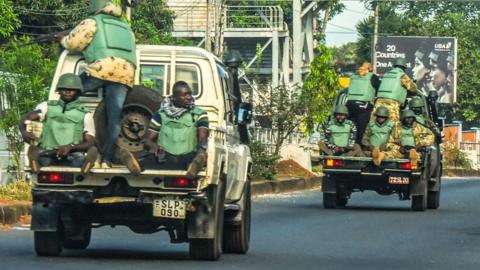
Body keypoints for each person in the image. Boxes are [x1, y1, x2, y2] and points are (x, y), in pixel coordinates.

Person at [58, 0, 136, 168]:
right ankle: (106, 159)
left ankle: (75, 142)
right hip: (125, 73)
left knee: (68, 92)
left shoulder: (93, 21)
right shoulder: (126, 27)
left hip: (102, 68)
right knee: (114, 119)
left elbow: (74, 43)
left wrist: (62, 40)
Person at [122, 81, 209, 178]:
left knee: (195, 157)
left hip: (187, 156)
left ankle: (195, 166)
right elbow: (147, 140)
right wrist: (155, 147)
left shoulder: (199, 114)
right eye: (185, 95)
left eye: (190, 94)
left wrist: (202, 150)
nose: (189, 97)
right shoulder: (160, 115)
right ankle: (135, 166)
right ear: (174, 98)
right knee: (149, 158)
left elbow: (203, 137)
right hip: (165, 157)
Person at [19, 74, 98, 174]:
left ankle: (87, 163)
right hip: (48, 152)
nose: (67, 91)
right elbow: (26, 117)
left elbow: (90, 142)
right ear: (59, 90)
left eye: (71, 89)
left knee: (79, 160)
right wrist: (23, 131)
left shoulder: (85, 114)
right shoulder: (47, 106)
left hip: (72, 154)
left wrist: (71, 147)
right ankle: (34, 159)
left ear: (78, 92)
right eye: (64, 89)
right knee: (43, 159)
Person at [373, 57, 417, 125]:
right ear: (404, 68)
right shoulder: (402, 75)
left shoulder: (386, 74)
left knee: (375, 125)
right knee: (394, 127)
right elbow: (413, 89)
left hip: (379, 102)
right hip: (392, 104)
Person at [346, 62, 381, 143]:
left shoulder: (353, 77)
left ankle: (348, 145)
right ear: (370, 69)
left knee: (349, 127)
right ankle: (358, 146)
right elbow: (379, 89)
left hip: (349, 105)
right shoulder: (372, 77)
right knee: (362, 129)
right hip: (363, 106)